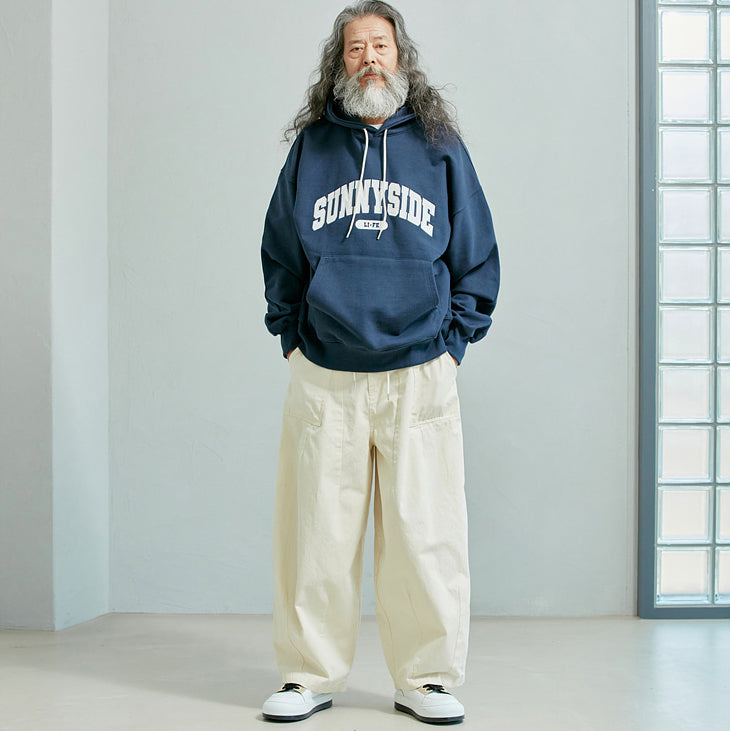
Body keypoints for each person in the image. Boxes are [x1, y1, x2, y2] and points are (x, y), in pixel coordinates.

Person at [260, 1, 499, 724]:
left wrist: (454, 344)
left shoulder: (440, 147)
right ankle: (308, 675)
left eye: (380, 46)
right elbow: (279, 250)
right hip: (326, 371)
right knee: (315, 534)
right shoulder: (313, 148)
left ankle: (426, 678)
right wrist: (291, 335)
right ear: (339, 63)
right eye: (355, 47)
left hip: (419, 370)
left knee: (427, 533)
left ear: (402, 57)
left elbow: (476, 252)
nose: (369, 58)